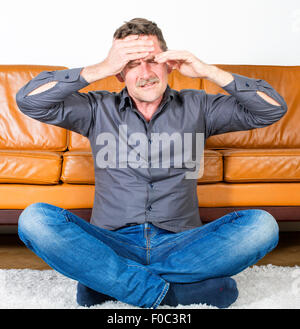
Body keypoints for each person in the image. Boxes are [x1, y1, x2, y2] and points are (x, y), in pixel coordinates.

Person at [16, 18, 287, 309]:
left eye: (152, 61)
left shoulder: (199, 106)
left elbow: (271, 109)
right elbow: (30, 101)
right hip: (112, 242)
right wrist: (102, 68)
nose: (145, 73)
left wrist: (206, 71)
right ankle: (170, 293)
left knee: (262, 226)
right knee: (35, 219)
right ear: (120, 74)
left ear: (169, 63)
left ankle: (111, 282)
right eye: (131, 64)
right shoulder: (96, 108)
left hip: (182, 243)